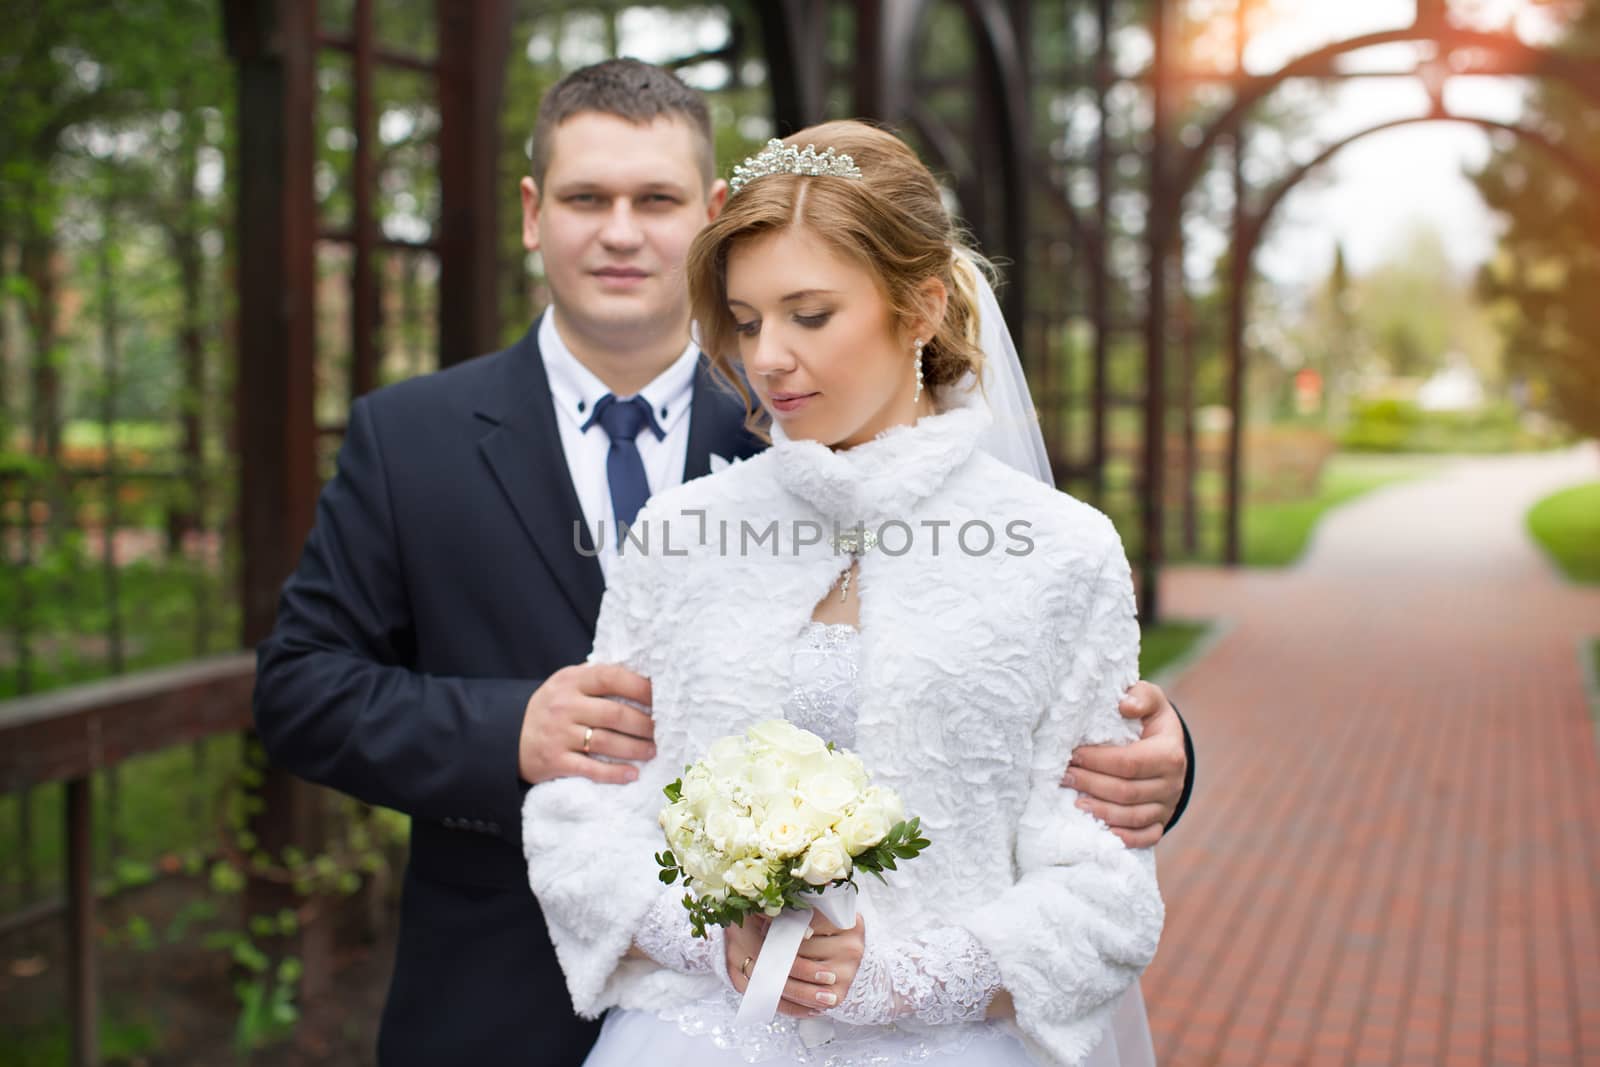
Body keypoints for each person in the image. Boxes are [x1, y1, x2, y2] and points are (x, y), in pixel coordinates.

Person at [253, 61, 1188, 1067]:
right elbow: (303, 685)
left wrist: (1163, 744)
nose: (769, 358)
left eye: (653, 198)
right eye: (584, 197)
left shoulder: (944, 482)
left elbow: (1036, 748)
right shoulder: (416, 440)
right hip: (524, 997)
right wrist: (515, 731)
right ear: (533, 213)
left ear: (705, 213)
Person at [522, 121, 1165, 1067]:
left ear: (920, 307)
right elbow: (585, 816)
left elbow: (1103, 884)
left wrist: (903, 980)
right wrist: (710, 932)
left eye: (809, 314)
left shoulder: (1065, 553)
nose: (768, 357)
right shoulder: (678, 533)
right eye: (746, 321)